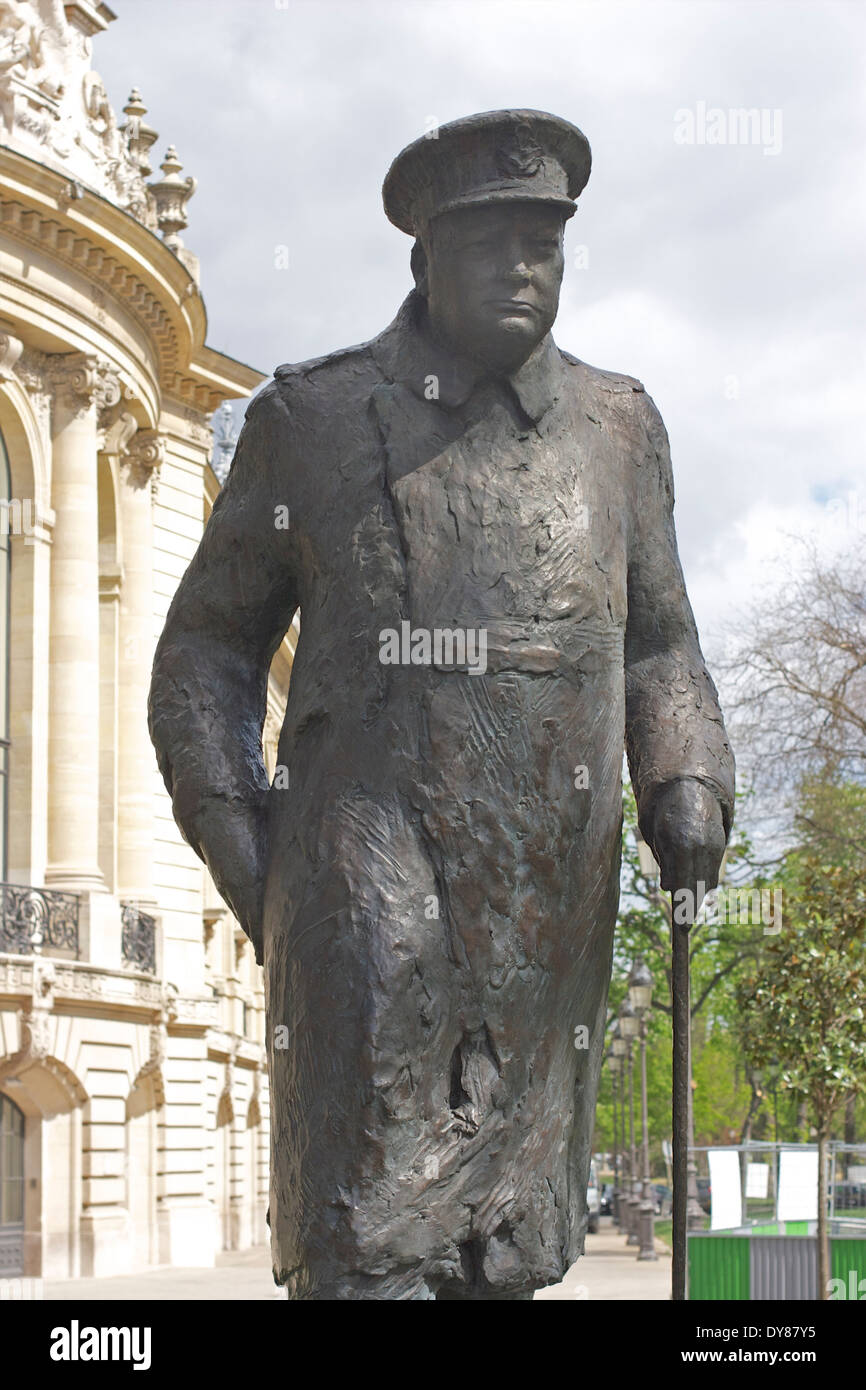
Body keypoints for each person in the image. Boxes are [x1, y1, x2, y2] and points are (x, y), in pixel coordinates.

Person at [148, 110, 734, 1300]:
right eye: (487, 244)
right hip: (362, 886)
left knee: (510, 1261)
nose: (521, 268)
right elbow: (205, 648)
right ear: (423, 259)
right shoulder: (311, 420)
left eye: (542, 244)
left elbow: (662, 647)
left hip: (546, 920)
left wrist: (684, 777)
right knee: (366, 1255)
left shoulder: (617, 428)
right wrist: (246, 849)